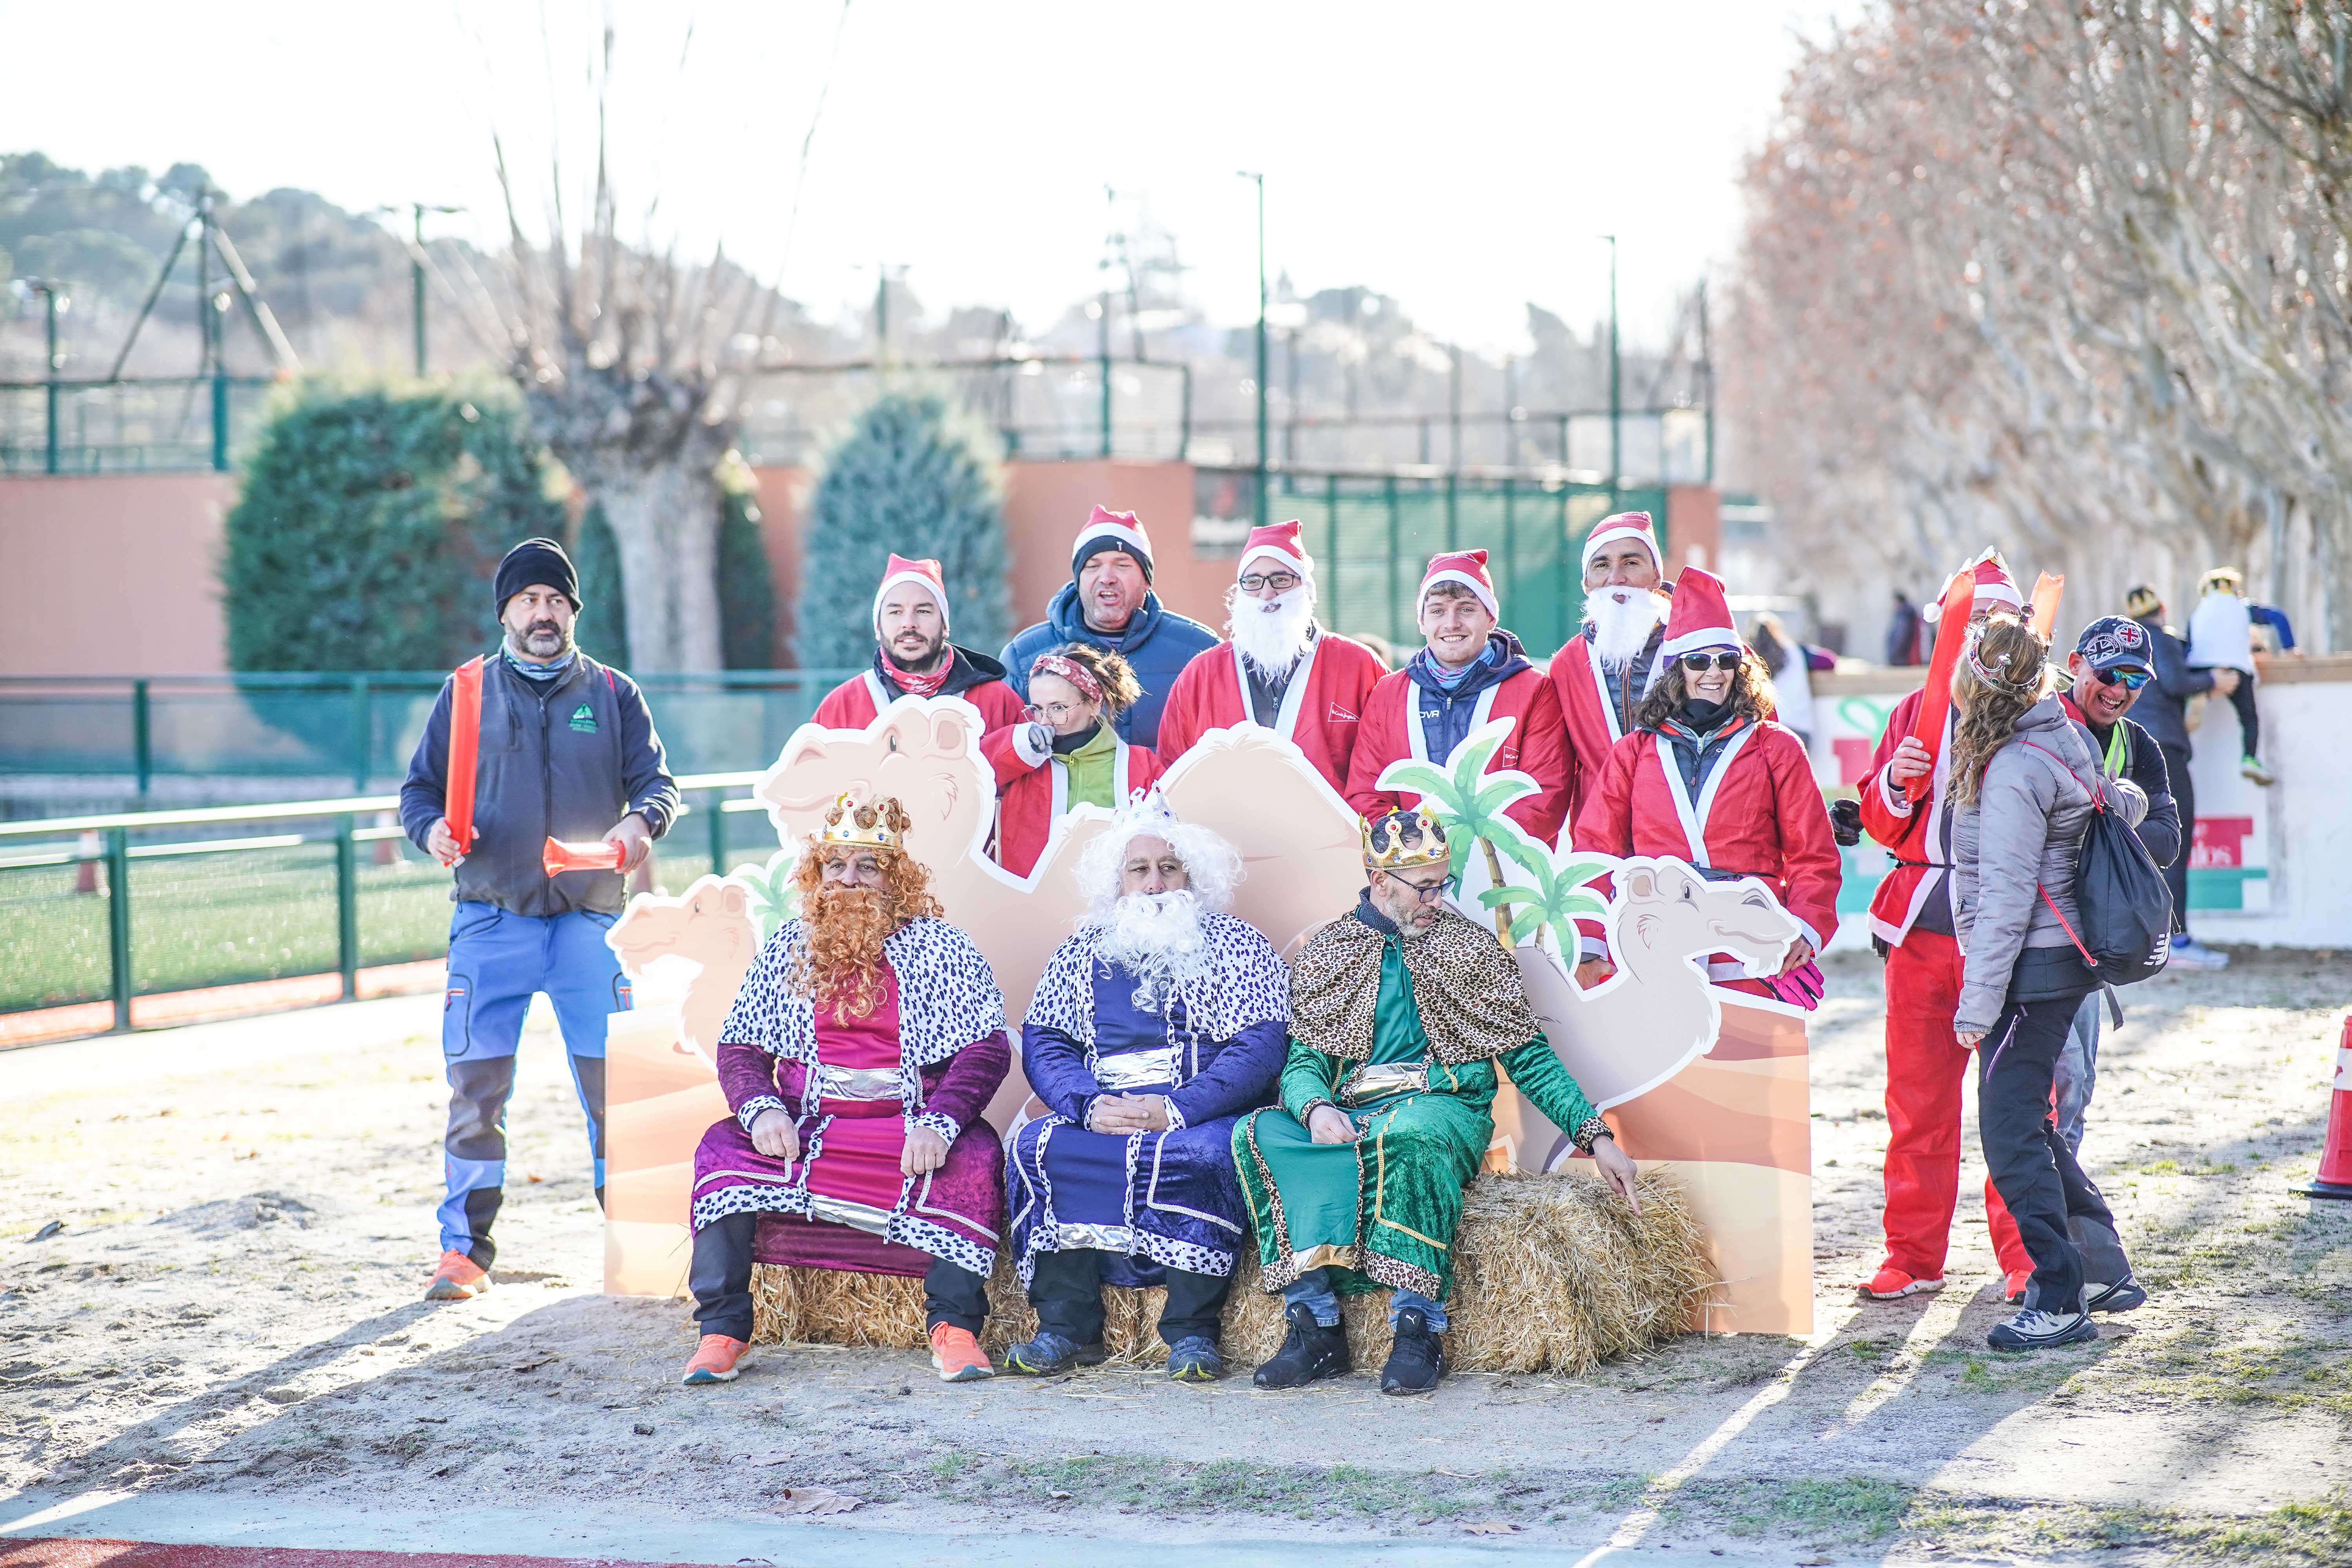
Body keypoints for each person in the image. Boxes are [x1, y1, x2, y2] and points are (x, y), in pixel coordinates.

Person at [1234, 809, 1642, 1395]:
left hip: (1443, 1104)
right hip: (1353, 1109)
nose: (1436, 898)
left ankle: (1416, 1325)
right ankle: (1314, 1327)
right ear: (1379, 881)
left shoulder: (1469, 949)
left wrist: (1596, 1138)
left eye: (1441, 884)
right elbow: (1304, 1065)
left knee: (1411, 1134)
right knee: (1257, 1133)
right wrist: (1315, 1109)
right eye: (1423, 887)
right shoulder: (1330, 951)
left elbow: (1528, 1057)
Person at [399, 537, 680, 1303]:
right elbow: (418, 794)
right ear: (507, 613)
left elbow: (658, 784)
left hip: (589, 924)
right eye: (529, 600)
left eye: (557, 599)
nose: (544, 612)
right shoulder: (464, 694)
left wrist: (639, 826)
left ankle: (638, 1250)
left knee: (616, 1094)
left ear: (572, 611)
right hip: (491, 922)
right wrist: (431, 833)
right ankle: (464, 1252)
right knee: (477, 1092)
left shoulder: (616, 693)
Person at [679, 792, 1011, 1387]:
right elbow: (741, 1047)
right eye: (836, 865)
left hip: (910, 1123)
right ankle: (723, 1331)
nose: (849, 881)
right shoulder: (789, 945)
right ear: (818, 872)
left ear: (896, 877)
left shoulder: (944, 948)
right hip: (808, 1126)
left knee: (978, 1157)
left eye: (868, 867)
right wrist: (760, 1113)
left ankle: (954, 1328)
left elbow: (985, 1050)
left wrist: (940, 1122)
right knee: (720, 1150)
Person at [1004, 799, 1289, 1382]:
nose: (1155, 882)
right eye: (1139, 870)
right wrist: (1086, 1105)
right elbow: (1047, 1042)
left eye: (1170, 867)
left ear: (1193, 876)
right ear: (1118, 881)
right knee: (1040, 1146)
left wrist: (1177, 1109)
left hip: (1198, 1107)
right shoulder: (1081, 950)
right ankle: (1066, 1329)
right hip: (1104, 1107)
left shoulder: (1237, 944)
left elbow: (1259, 1045)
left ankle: (1192, 1335)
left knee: (1204, 1156)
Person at [1949, 619, 2148, 1350]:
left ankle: (2060, 1296)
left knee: (2007, 1133)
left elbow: (2004, 897)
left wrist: (1976, 1004)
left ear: (1975, 685)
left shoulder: (2012, 768)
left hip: (2030, 969)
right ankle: (2103, 1269)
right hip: (2056, 963)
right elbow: (2122, 802)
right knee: (2029, 1122)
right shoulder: (2057, 739)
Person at [1853, 550, 2037, 1303]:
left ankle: (2027, 1253)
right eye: (1964, 626)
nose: (1976, 641)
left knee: (2021, 1105)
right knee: (1918, 1104)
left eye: (1993, 627)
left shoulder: (2041, 714)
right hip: (1922, 929)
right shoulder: (1912, 710)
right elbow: (1879, 824)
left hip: (2013, 933)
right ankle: (1913, 1255)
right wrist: (1895, 785)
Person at [1573, 568, 1841, 1005]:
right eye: (1699, 661)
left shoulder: (1776, 747)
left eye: (1726, 660)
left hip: (1753, 955)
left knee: (1750, 1072)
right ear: (1677, 668)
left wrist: (1805, 928)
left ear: (1742, 667)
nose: (1713, 673)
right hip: (1658, 951)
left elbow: (1814, 855)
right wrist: (1589, 940)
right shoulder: (1634, 752)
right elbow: (1596, 851)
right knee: (1672, 1073)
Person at [2053, 618, 2182, 1155]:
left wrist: (2101, 823)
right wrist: (2120, 820)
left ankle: (2060, 1206)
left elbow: (2169, 839)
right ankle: (2034, 1218)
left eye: (2136, 679)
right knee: (2052, 1081)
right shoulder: (2038, 721)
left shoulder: (2137, 743)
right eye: (2111, 673)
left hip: (2090, 941)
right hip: (2037, 927)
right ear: (2077, 663)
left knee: (2076, 1085)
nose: (2121, 690)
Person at [1347, 550, 1572, 847]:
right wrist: (1415, 850)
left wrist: (1478, 853)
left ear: (1491, 617)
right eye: (1438, 611)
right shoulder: (1389, 693)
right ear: (1422, 622)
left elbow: (1545, 795)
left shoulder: (1534, 691)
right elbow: (1367, 792)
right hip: (1412, 875)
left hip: (1504, 877)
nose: (1451, 623)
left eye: (1466, 609)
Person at [1152, 520, 1386, 795]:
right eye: (1253, 582)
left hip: (1330, 834)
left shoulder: (1358, 665)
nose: (1267, 593)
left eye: (1281, 580)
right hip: (1222, 835)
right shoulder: (1201, 675)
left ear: (1306, 588)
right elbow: (1172, 774)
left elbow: (1383, 767)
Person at [1001, 506, 1220, 750]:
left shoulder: (1199, 651)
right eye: (1093, 566)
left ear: (1147, 579)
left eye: (1122, 565)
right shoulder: (1023, 656)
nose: (1107, 577)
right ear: (1079, 579)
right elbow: (1007, 751)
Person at [811, 554, 1033, 784]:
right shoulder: (842, 706)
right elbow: (813, 795)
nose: (909, 623)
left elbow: (1028, 797)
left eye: (924, 611)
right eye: (895, 612)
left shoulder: (998, 701)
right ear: (878, 627)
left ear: (945, 625)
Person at [2124, 584, 2234, 971]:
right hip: (2164, 753)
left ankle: (2145, 939)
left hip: (2128, 753)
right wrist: (2211, 679)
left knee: (2136, 847)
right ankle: (2178, 939)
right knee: (2175, 842)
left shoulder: (2130, 643)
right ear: (2163, 609)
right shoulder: (2164, 639)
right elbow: (2174, 681)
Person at [1544, 511, 1672, 835]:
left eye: (1631, 563)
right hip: (1598, 832)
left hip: (1681, 831)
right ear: (1586, 583)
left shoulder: (1696, 654)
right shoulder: (1567, 663)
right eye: (1601, 565)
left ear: (1656, 576)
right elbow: (1554, 770)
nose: (1616, 578)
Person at [995, 645, 1164, 878]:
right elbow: (975, 775)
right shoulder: (1024, 763)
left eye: (1058, 708)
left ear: (1095, 704)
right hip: (1034, 906)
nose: (1045, 722)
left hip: (1119, 905)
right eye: (1037, 709)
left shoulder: (1139, 763)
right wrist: (1017, 746)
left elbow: (1169, 837)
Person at [2185, 567, 2287, 786]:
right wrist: (2289, 648)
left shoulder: (2198, 613)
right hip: (2236, 667)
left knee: (2198, 693)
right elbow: (2277, 617)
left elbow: (2189, 646)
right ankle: (2250, 757)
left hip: (2201, 669)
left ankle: (2200, 696)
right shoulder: (2243, 608)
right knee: (2248, 717)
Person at [1747, 612, 1835, 751]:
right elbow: (1829, 661)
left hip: (1765, 728)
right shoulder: (1797, 651)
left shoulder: (1749, 657)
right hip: (1799, 726)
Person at [1885, 590, 1924, 667]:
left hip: (1902, 659)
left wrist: (1894, 655)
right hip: (1905, 658)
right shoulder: (1907, 614)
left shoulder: (1904, 616)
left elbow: (1901, 637)